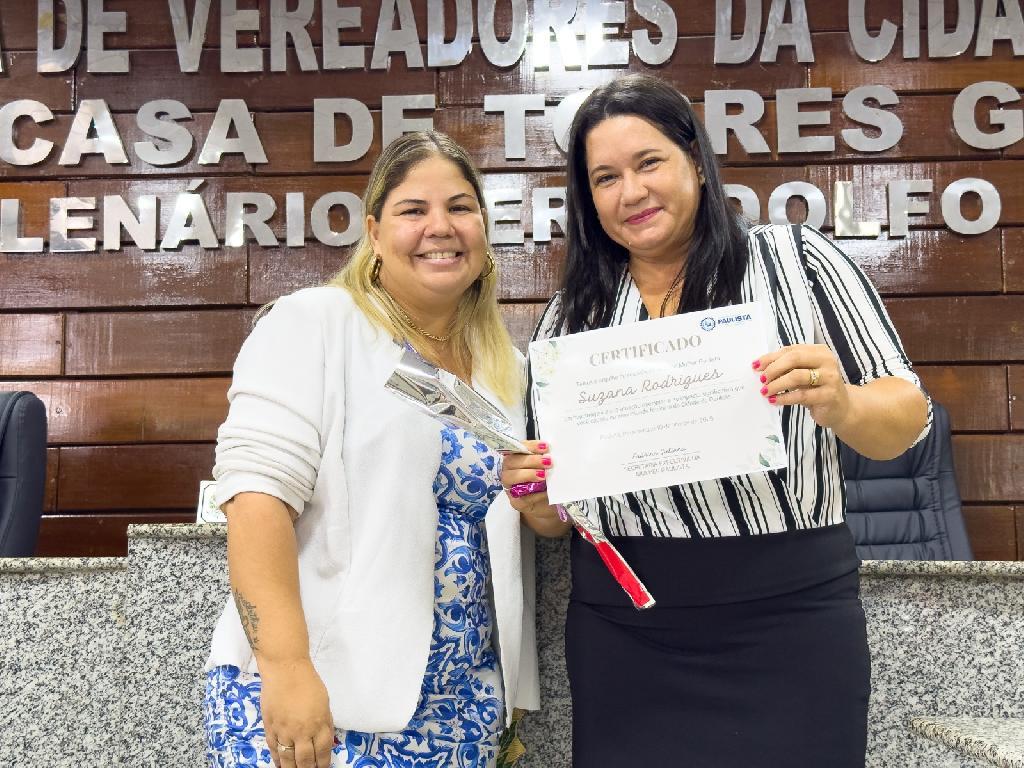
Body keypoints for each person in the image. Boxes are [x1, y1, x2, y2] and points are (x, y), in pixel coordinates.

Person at [501, 74, 931, 767]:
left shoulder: (797, 262)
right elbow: (559, 517)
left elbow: (907, 417)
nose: (631, 192)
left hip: (788, 617)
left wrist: (842, 403)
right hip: (625, 629)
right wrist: (533, 497)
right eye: (605, 178)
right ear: (588, 200)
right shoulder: (572, 319)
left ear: (697, 162)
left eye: (649, 162)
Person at [202, 131, 539, 768]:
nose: (441, 227)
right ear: (375, 233)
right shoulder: (315, 323)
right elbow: (254, 500)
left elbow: (528, 512)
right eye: (414, 210)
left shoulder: (508, 369)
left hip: (460, 707)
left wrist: (539, 494)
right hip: (323, 695)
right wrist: (287, 668)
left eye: (460, 207)